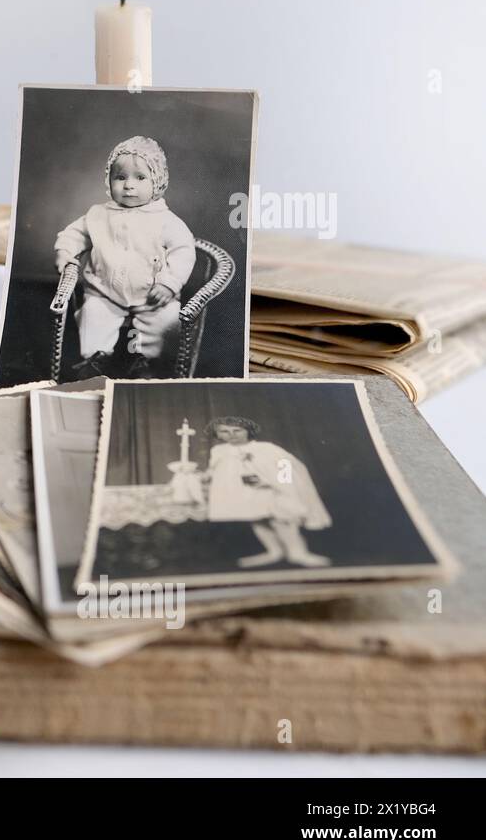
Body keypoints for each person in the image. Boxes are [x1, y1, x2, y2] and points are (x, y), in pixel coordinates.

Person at [54, 136, 195, 378]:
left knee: (166, 319)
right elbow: (73, 234)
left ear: (157, 182)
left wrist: (169, 284)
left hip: (152, 296)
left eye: (140, 178)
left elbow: (184, 251)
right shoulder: (98, 215)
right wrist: (64, 253)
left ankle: (147, 362)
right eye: (120, 177)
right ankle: (95, 360)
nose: (129, 185)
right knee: (93, 315)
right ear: (109, 180)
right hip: (104, 292)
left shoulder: (166, 220)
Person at [203, 416, 333, 568]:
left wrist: (270, 481)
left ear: (248, 431)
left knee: (281, 520)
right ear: (218, 434)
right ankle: (274, 551)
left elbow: (287, 466)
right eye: (224, 431)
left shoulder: (266, 448)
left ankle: (297, 553)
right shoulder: (218, 451)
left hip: (269, 490)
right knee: (257, 520)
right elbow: (215, 469)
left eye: (237, 430)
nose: (231, 435)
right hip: (244, 493)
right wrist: (206, 476)